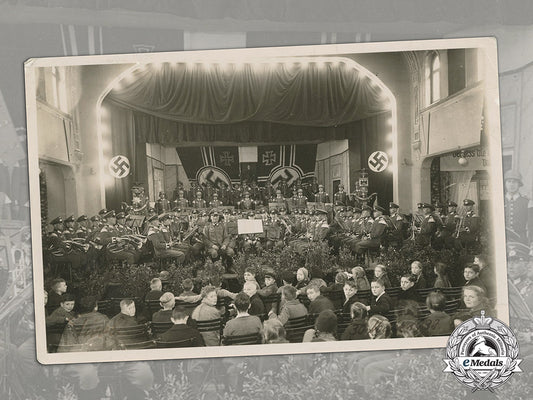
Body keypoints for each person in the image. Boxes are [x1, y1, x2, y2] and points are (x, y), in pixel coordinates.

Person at [504, 170, 529, 245]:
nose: (511, 184)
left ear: (519, 184)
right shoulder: (500, 200)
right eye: (509, 181)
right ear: (505, 184)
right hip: (504, 239)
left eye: (514, 182)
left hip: (521, 241)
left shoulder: (526, 202)